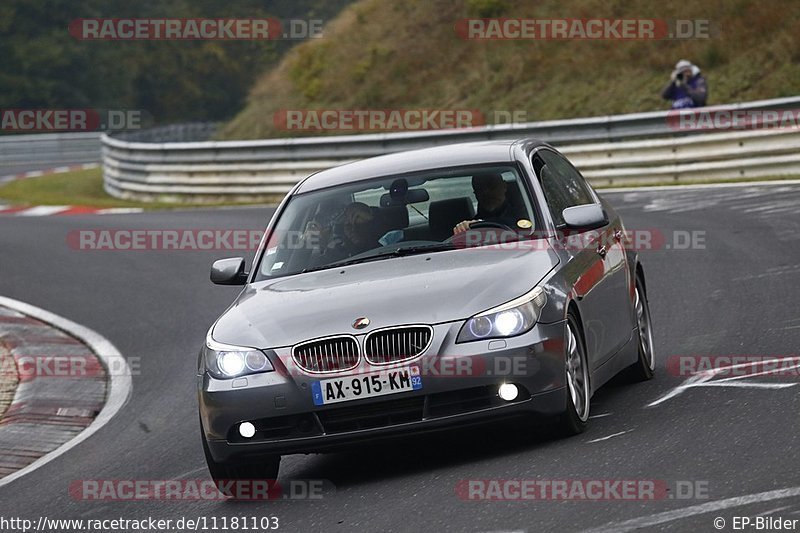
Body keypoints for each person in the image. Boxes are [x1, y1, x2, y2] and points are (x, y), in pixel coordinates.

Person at [302, 202, 382, 263]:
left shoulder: (388, 242)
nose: (352, 226)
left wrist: (371, 222)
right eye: (346, 222)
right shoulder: (337, 252)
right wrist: (307, 242)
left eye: (357, 217)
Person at [453, 173, 526, 234]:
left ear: (504, 186)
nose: (486, 193)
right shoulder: (468, 228)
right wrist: (463, 228)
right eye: (480, 189)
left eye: (492, 186)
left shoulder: (528, 213)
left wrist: (480, 224)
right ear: (475, 194)